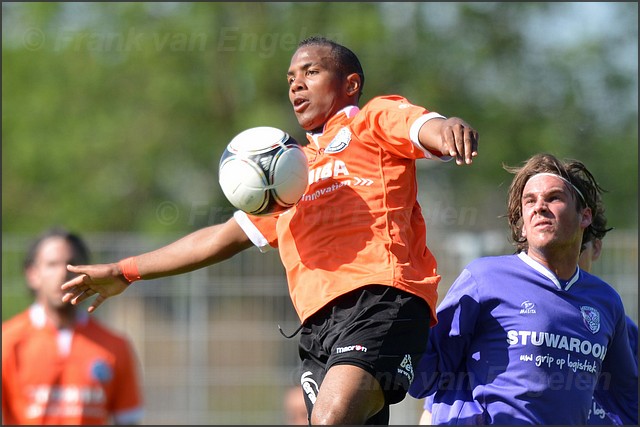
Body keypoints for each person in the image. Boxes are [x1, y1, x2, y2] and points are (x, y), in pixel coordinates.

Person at [60, 35, 479, 425]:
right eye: (291, 78)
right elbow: (221, 238)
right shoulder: (288, 175)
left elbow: (422, 126)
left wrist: (448, 130)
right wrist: (125, 270)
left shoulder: (371, 122)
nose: (296, 85)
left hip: (384, 300)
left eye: (311, 72)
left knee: (330, 418)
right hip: (317, 328)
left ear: (350, 84)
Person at [408, 153, 638, 424]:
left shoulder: (606, 301)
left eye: (553, 198)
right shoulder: (484, 278)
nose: (539, 207)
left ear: (584, 216)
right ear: (523, 226)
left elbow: (629, 402)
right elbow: (424, 376)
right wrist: (407, 309)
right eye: (530, 200)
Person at [2, 227, 144, 425]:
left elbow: (127, 420)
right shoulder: (6, 341)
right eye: (52, 264)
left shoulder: (115, 346)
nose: (62, 274)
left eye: (71, 265)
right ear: (32, 274)